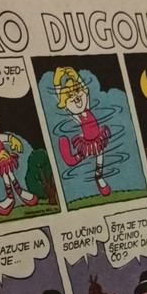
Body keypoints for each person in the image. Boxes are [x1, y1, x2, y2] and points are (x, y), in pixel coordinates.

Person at [53, 67, 112, 197]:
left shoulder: (87, 106)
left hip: (98, 137)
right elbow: (62, 99)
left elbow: (85, 90)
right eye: (71, 97)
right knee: (81, 157)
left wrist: (76, 77)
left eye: (78, 94)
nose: (76, 98)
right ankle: (70, 158)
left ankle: (99, 177)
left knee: (100, 156)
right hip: (88, 142)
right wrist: (57, 83)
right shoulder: (76, 115)